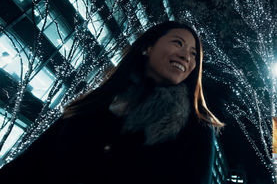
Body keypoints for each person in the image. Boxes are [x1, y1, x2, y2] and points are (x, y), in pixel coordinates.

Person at [0, 21, 224, 183]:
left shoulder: (196, 127)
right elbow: (29, 165)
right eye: (178, 43)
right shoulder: (94, 104)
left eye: (194, 54)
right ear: (148, 47)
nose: (187, 56)